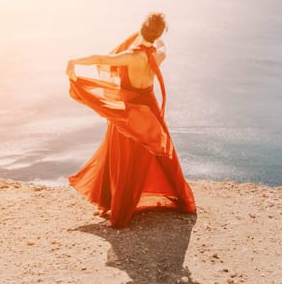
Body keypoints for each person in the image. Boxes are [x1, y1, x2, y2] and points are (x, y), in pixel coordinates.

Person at [65, 12, 196, 228]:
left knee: (124, 159)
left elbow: (99, 59)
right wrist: (156, 37)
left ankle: (120, 207)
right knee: (156, 154)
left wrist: (73, 62)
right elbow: (162, 46)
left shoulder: (130, 56)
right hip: (150, 111)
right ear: (159, 33)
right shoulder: (158, 55)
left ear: (142, 30)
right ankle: (179, 198)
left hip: (130, 114)